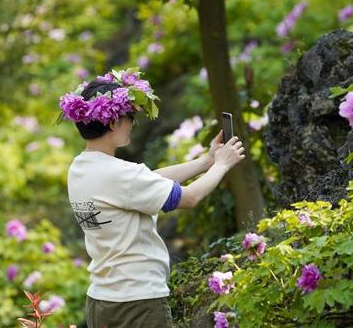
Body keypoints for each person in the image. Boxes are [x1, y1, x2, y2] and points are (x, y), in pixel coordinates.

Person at [59, 68, 246, 328]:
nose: (133, 123)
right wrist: (222, 165)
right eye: (130, 116)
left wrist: (207, 161)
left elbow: (145, 180)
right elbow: (190, 198)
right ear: (113, 122)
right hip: (138, 302)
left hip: (101, 301)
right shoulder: (120, 176)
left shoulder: (80, 168)